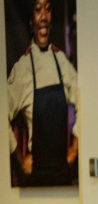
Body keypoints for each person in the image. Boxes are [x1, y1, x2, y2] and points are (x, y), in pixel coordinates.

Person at [7, 0, 79, 187]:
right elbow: (2, 117)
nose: (44, 17)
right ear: (31, 21)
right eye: (38, 10)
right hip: (36, 180)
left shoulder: (61, 60)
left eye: (47, 9)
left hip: (64, 175)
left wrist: (74, 149)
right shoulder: (22, 68)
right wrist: (21, 161)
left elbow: (85, 101)